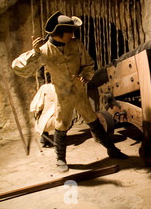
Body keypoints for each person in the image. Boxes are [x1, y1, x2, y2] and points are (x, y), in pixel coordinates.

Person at [12, 11, 128, 172]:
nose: (73, 34)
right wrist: (35, 52)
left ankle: (112, 149)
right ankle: (60, 159)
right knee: (62, 124)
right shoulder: (44, 50)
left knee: (93, 120)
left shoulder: (75, 44)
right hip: (63, 95)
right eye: (70, 32)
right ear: (60, 33)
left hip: (80, 92)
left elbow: (88, 64)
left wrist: (85, 76)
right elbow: (18, 67)